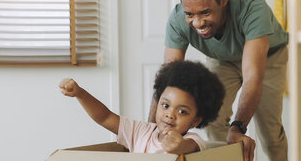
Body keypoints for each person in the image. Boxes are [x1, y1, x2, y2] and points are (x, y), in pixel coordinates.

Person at [153, 0, 290, 161]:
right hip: (222, 60)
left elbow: (252, 76)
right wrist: (152, 130)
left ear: (223, 1)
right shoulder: (178, 19)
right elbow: (168, 79)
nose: (197, 22)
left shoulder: (251, 5)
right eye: (190, 14)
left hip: (268, 57)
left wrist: (238, 127)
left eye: (205, 12)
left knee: (268, 126)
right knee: (213, 119)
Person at [60, 60, 225, 154]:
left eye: (182, 111)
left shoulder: (192, 140)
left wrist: (179, 146)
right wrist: (80, 94)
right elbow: (105, 117)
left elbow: (189, 147)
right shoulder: (141, 132)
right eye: (165, 105)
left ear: (196, 120)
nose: (170, 114)